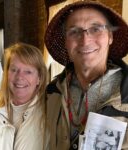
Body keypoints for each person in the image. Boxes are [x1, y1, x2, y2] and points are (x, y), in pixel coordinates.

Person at [44, 1, 128, 150]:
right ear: (66, 42)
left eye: (95, 29)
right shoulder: (51, 92)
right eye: (74, 31)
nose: (85, 40)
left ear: (110, 36)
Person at [0, 42, 48, 150]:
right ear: (6, 73)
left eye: (28, 72)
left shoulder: (50, 113)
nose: (19, 77)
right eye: (14, 70)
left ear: (39, 78)